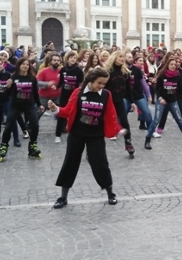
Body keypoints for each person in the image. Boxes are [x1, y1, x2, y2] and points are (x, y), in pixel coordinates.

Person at [48, 68, 126, 209]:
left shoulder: (106, 95)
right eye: (99, 83)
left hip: (95, 135)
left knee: (101, 164)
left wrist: (117, 130)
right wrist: (55, 108)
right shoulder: (78, 92)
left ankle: (110, 193)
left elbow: (111, 115)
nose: (101, 86)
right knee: (70, 163)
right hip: (77, 134)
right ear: (91, 80)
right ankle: (63, 197)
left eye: (104, 83)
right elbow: (67, 111)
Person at [144, 56, 182, 150]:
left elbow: (180, 89)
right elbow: (157, 89)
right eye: (171, 64)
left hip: (173, 101)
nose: (173, 66)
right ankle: (147, 139)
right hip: (162, 101)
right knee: (156, 120)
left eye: (174, 64)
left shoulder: (178, 76)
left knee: (180, 120)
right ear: (167, 65)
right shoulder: (162, 75)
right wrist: (160, 98)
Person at [0, 58, 44, 161]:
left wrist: (39, 104)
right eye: (23, 64)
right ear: (19, 65)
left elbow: (35, 94)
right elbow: (7, 94)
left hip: (29, 105)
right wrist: (8, 86)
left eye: (27, 65)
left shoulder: (32, 78)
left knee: (35, 125)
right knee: (8, 126)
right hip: (15, 105)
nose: (25, 66)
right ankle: (4, 145)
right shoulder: (13, 77)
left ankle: (33, 144)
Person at [103, 51, 136, 157]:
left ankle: (128, 143)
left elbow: (128, 89)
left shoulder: (125, 72)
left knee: (125, 122)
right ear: (114, 58)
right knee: (99, 124)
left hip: (119, 100)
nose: (122, 59)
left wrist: (132, 102)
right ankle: (91, 149)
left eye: (123, 57)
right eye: (120, 57)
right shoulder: (107, 71)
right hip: (106, 101)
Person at [54, 51, 84, 144]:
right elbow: (61, 82)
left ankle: (75, 132)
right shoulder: (63, 69)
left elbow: (81, 83)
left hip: (74, 95)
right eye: (71, 57)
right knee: (61, 114)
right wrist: (56, 86)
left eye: (75, 58)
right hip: (64, 94)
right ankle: (57, 135)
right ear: (67, 58)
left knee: (76, 114)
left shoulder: (79, 70)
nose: (73, 59)